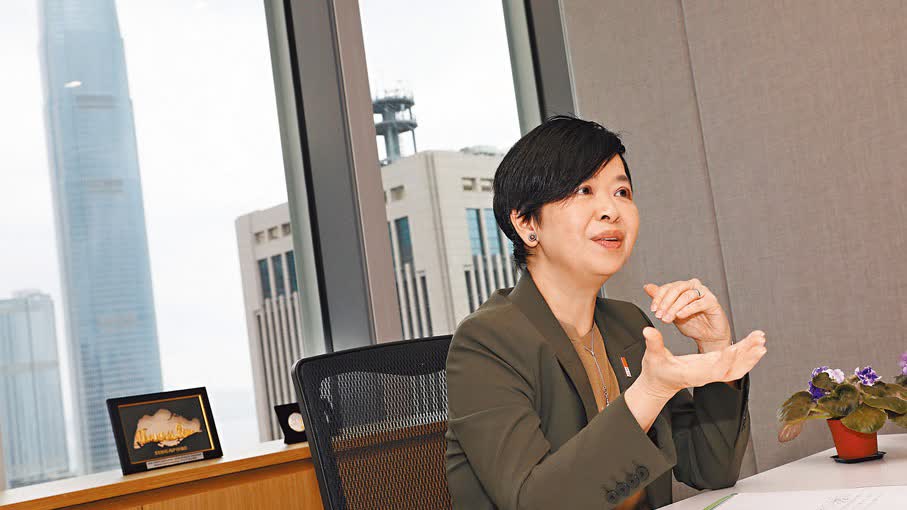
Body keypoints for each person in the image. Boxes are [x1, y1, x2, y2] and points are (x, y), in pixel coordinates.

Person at [444, 115, 767, 509]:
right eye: (584, 190)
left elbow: (711, 469)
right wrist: (651, 391)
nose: (611, 210)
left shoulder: (628, 324)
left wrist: (713, 346)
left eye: (622, 192)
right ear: (527, 223)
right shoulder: (486, 341)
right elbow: (534, 502)